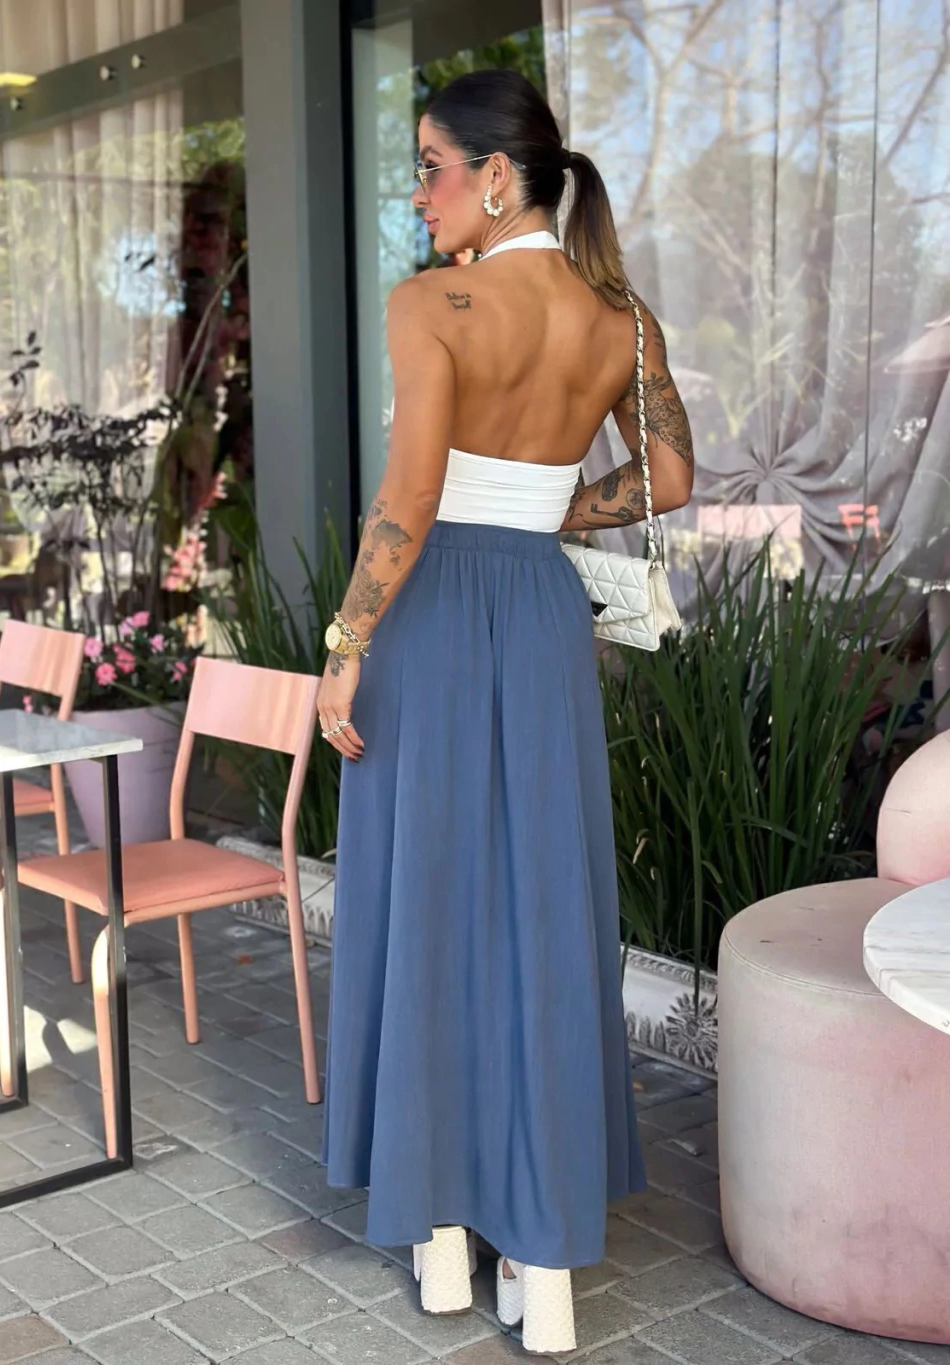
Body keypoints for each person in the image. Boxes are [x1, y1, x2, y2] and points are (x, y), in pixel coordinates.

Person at [317, 69, 694, 1354]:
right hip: (536, 611)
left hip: (426, 616)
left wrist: (344, 643)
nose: (416, 195)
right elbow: (671, 476)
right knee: (540, 906)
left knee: (426, 903)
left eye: (429, 167)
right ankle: (543, 1262)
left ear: (494, 174)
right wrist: (550, 510)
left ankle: (436, 1240)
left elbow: (409, 498)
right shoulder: (616, 315)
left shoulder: (431, 303)